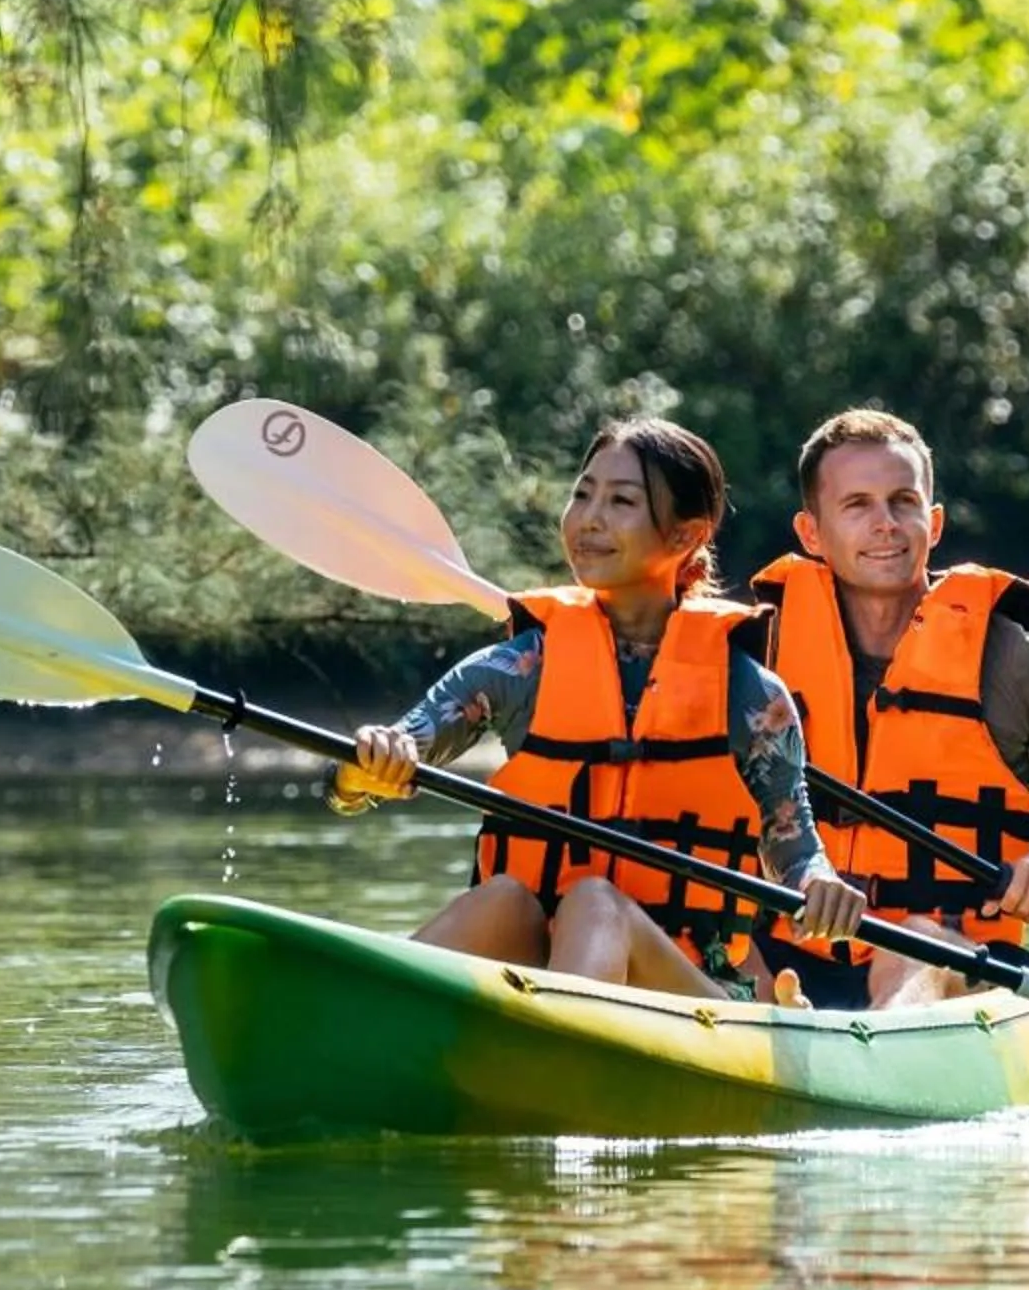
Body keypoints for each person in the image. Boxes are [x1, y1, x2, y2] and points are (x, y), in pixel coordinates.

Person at [331, 418, 869, 1000]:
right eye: (582, 494)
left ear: (685, 536)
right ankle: (361, 1014)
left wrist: (820, 885)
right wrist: (369, 766)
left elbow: (792, 846)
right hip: (539, 979)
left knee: (594, 902)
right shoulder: (519, 669)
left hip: (694, 996)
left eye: (621, 502)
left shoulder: (752, 697)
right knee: (505, 899)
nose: (589, 517)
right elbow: (376, 768)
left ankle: (556, 1056)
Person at [748, 408, 1029, 1011]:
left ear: (933, 522)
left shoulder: (1017, 665)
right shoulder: (754, 663)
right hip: (788, 951)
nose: (885, 524)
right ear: (811, 534)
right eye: (857, 505)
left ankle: (866, 1051)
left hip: (962, 961)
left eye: (903, 502)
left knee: (912, 941)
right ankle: (770, 1019)